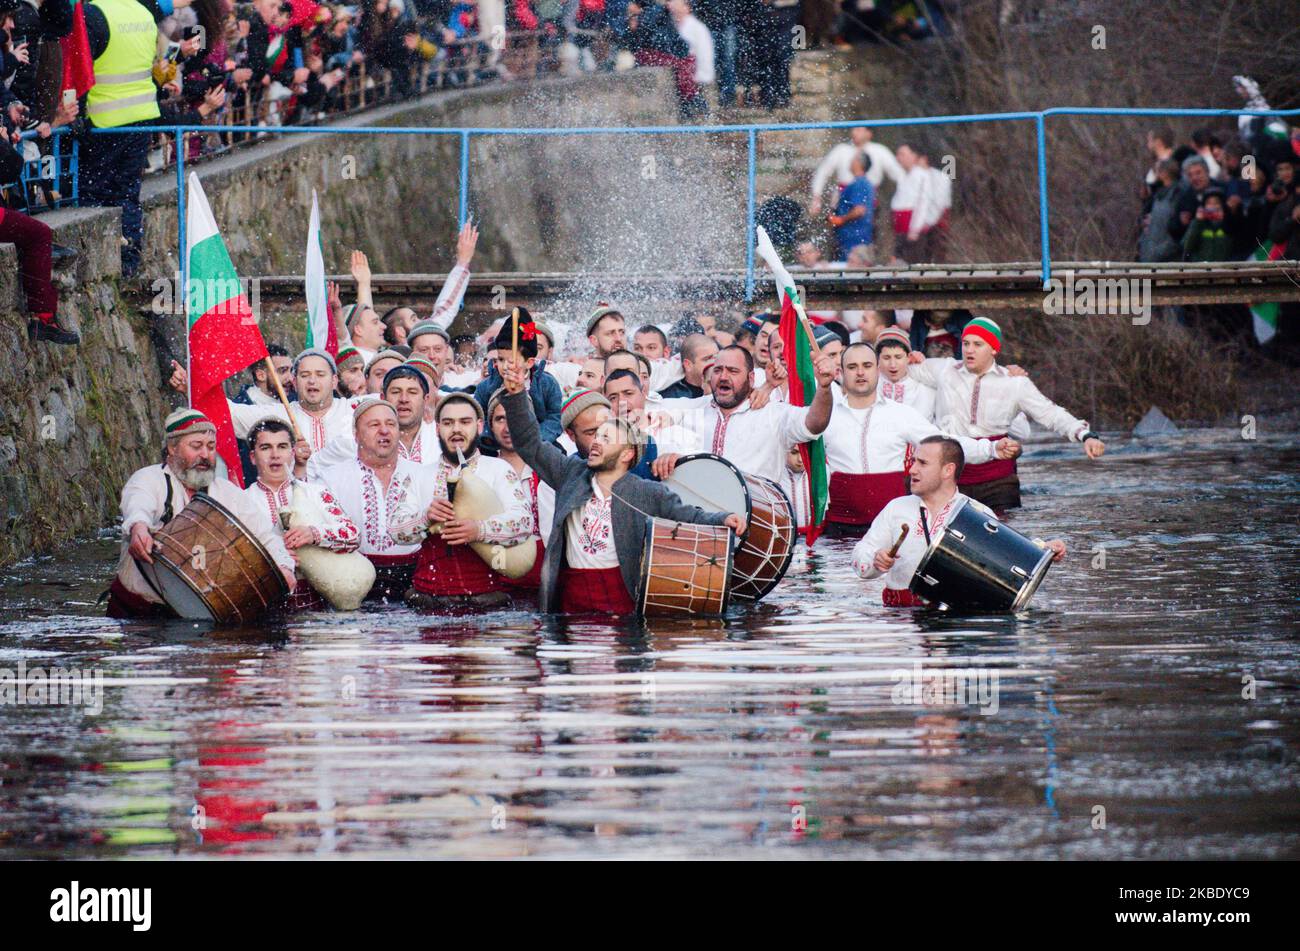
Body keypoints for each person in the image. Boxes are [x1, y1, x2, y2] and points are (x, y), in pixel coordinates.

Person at [500, 357, 744, 615]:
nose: (596, 442)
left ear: (628, 453)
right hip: (570, 604)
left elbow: (689, 516)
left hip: (623, 601)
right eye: (594, 435)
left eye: (606, 437)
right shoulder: (569, 474)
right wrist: (516, 396)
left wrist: (723, 518)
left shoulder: (646, 491)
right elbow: (529, 443)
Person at [108, 408, 296, 618]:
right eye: (196, 446)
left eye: (211, 447)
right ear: (172, 447)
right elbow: (137, 506)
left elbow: (266, 535)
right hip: (138, 613)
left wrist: (284, 568)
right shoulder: (149, 479)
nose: (205, 455)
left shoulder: (226, 492)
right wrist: (139, 528)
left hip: (202, 615)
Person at [906, 317, 1105, 511]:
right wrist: (911, 356)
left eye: (978, 344)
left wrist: (1085, 435)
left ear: (993, 349)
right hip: (953, 478)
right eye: (966, 343)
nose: (969, 350)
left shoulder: (1014, 382)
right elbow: (896, 368)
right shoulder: (944, 369)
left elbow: (1050, 413)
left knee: (1002, 537)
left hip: (998, 480)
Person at [822, 343, 1014, 537]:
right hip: (839, 526)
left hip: (893, 525)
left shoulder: (899, 413)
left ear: (877, 369)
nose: (861, 372)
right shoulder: (825, 417)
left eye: (867, 365)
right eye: (853, 367)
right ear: (841, 372)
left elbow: (945, 444)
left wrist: (990, 448)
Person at [852, 436, 1065, 607]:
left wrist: (1043, 551)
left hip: (953, 622)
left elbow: (1005, 560)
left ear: (948, 470)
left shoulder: (977, 513)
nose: (912, 470)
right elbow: (861, 555)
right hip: (899, 623)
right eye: (913, 461)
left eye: (922, 463)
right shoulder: (896, 508)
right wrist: (875, 561)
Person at [404, 392, 532, 611]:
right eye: (447, 423)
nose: (456, 429)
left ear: (480, 426)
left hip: (487, 600)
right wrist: (426, 518)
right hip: (426, 602)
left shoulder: (499, 469)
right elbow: (396, 531)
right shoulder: (418, 475)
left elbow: (524, 523)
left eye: (465, 422)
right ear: (437, 428)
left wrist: (478, 530)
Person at [662, 344, 836, 484]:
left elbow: (814, 423)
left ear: (751, 378)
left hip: (756, 519)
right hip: (701, 518)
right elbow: (641, 416)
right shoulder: (693, 409)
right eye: (718, 370)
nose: (723, 376)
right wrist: (667, 453)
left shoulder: (773, 414)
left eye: (733, 371)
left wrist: (824, 387)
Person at [318, 399, 434, 602]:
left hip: (416, 584)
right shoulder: (331, 479)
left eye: (391, 424)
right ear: (356, 435)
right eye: (374, 425)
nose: (384, 431)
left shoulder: (424, 475)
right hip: (354, 583)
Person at [243, 417, 360, 611]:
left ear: (292, 452)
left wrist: (314, 534)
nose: (275, 455)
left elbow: (354, 535)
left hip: (318, 599)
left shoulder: (315, 492)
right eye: (265, 448)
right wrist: (269, 557)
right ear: (253, 457)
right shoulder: (242, 502)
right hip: (264, 601)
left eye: (282, 447)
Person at [485, 389, 547, 591]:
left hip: (543, 581)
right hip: (496, 578)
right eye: (500, 419)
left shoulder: (548, 469)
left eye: (515, 418)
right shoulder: (481, 471)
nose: (507, 427)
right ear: (490, 426)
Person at [473, 311, 564, 443]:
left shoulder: (547, 383)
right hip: (497, 445)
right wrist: (491, 440)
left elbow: (555, 418)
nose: (504, 366)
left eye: (511, 360)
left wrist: (536, 440)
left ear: (529, 362)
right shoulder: (485, 387)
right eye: (501, 359)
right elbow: (479, 418)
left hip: (538, 445)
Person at [810, 126, 905, 218]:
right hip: (842, 199)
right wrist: (816, 196)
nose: (854, 133)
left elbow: (899, 175)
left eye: (858, 129)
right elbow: (823, 172)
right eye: (853, 129)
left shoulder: (880, 151)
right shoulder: (841, 150)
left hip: (869, 201)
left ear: (869, 133)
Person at [604, 368, 701, 458]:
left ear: (643, 394)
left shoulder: (677, 434)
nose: (622, 402)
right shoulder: (604, 443)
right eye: (613, 398)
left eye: (628, 393)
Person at [874, 327, 936, 420]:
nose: (893, 364)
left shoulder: (925, 391)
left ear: (908, 358)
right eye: (886, 358)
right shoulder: (870, 388)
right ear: (878, 359)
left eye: (898, 357)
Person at [828, 150, 875, 262]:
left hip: (854, 240)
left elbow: (859, 210)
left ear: (859, 163)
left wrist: (840, 219)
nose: (850, 162)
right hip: (851, 238)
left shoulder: (860, 183)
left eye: (853, 159)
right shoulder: (860, 183)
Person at [891, 143, 934, 264]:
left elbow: (924, 203)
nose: (898, 158)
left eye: (902, 154)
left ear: (914, 156)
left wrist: (915, 228)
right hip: (900, 228)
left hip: (912, 229)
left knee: (913, 262)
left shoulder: (922, 175)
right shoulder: (903, 176)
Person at [660, 333, 717, 399]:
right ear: (688, 365)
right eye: (707, 359)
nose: (714, 363)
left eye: (717, 357)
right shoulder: (670, 397)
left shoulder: (727, 389)